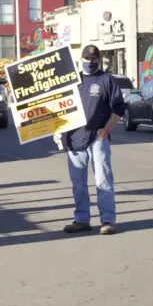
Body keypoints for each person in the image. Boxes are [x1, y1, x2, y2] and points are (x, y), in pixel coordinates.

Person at [56, 44, 125, 235]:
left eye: (94, 59)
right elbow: (57, 107)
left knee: (103, 180)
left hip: (97, 138)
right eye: (87, 59)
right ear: (81, 60)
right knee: (78, 183)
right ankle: (81, 219)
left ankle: (108, 220)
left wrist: (107, 128)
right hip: (73, 138)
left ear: (99, 60)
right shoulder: (71, 81)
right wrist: (56, 130)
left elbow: (119, 108)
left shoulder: (106, 79)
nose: (90, 62)